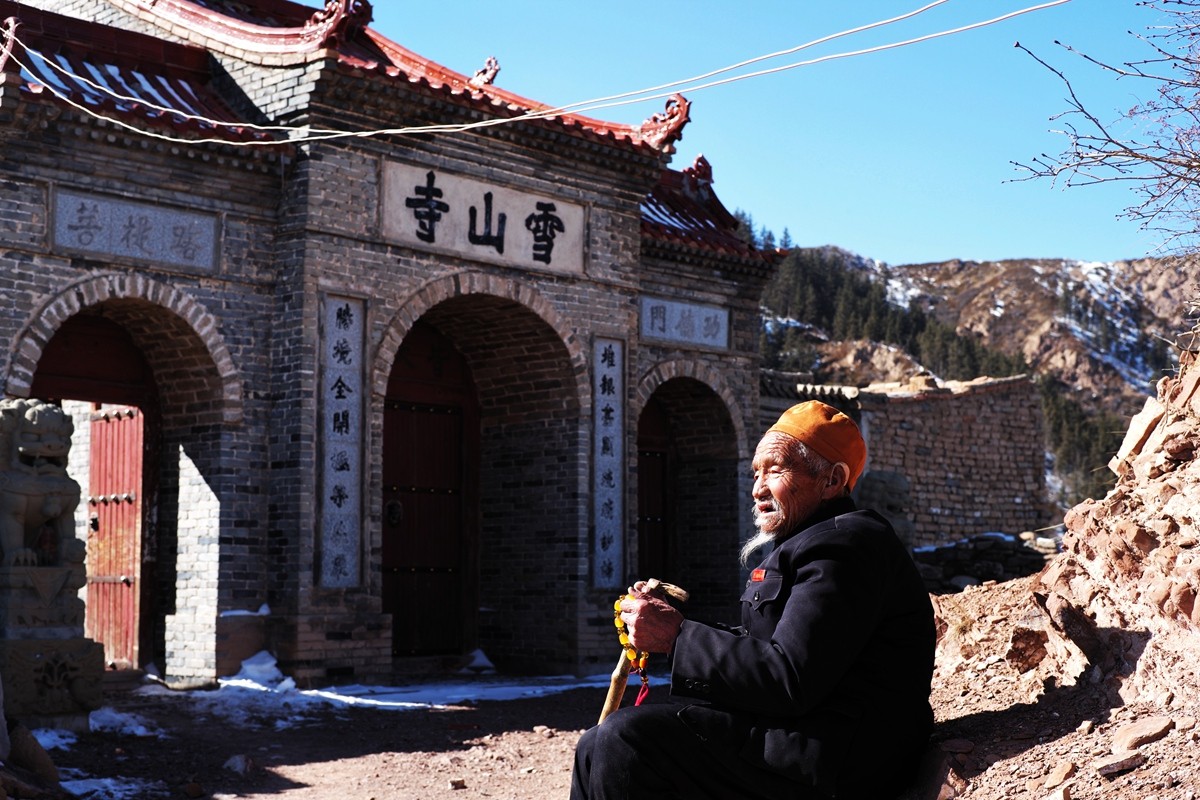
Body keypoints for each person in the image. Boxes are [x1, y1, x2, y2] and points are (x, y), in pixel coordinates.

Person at [571, 400, 936, 800]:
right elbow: (766, 646)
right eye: (756, 472)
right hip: (799, 737)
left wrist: (677, 638)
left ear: (831, 480)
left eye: (775, 469)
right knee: (594, 745)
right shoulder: (808, 544)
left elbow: (790, 677)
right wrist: (671, 624)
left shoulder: (846, 546)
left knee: (626, 741)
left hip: (839, 756)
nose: (757, 488)